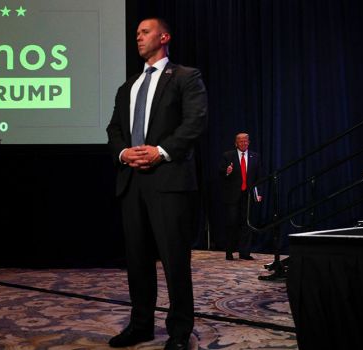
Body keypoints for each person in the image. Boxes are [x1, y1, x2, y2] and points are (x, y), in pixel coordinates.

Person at [106, 17, 208, 350]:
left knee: (175, 261)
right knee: (137, 261)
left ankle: (179, 333)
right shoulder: (129, 86)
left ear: (164, 36)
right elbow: (114, 130)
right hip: (132, 181)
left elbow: (195, 122)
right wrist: (123, 154)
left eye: (144, 32)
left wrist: (161, 152)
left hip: (169, 181)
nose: (138, 37)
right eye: (136, 34)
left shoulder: (185, 76)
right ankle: (141, 326)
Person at [219, 132, 262, 261]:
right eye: (240, 141)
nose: (243, 143)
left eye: (245, 141)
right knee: (232, 223)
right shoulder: (228, 156)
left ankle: (245, 253)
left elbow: (258, 177)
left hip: (248, 196)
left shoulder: (255, 156)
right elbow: (220, 172)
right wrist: (226, 172)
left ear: (248, 142)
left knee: (246, 224)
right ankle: (229, 252)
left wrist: (258, 193)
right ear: (236, 143)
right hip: (232, 196)